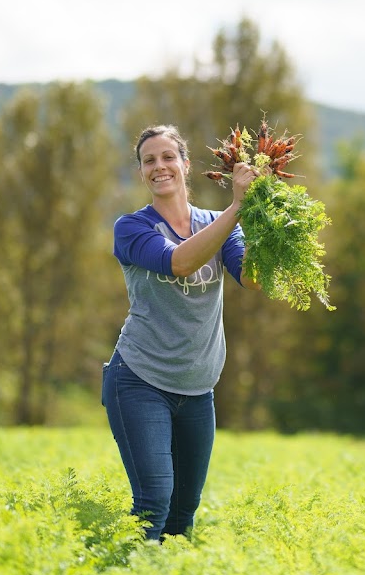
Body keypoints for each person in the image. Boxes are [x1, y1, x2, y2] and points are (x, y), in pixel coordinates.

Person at [102, 124, 262, 541]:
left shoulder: (218, 222)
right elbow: (179, 263)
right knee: (154, 501)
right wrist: (237, 208)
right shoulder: (131, 228)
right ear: (141, 172)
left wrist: (267, 215)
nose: (160, 166)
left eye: (168, 157)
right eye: (149, 160)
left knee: (181, 516)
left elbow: (252, 277)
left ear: (185, 165)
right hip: (139, 381)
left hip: (197, 389)